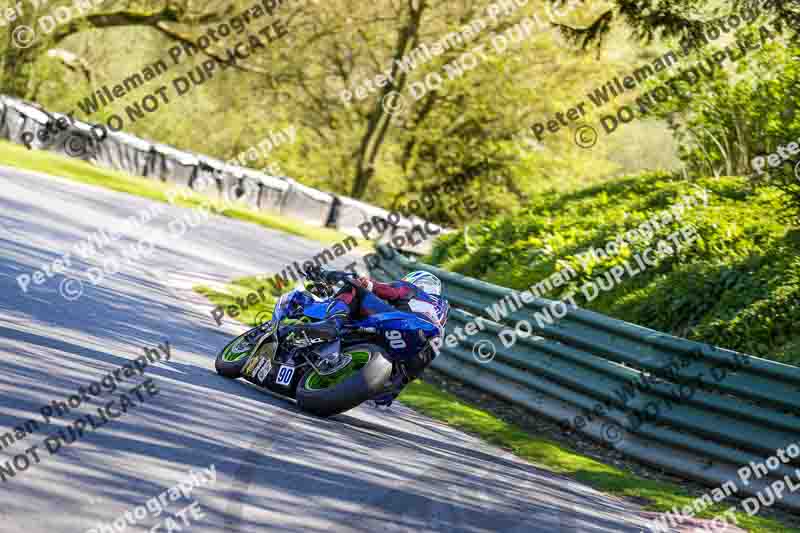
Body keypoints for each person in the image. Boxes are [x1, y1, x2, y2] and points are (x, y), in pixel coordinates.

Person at [283, 269, 449, 407]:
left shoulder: (412, 289)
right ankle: (390, 387)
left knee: (353, 287)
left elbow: (390, 291)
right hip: (411, 349)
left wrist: (366, 283)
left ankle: (332, 323)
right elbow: (420, 364)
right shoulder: (439, 321)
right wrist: (396, 386)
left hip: (403, 323)